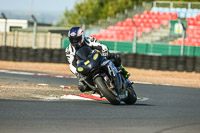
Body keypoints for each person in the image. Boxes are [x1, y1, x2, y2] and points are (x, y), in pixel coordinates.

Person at [65, 27, 130, 92]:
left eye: (76, 39)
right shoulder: (69, 50)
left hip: (97, 59)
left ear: (82, 37)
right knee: (81, 86)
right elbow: (72, 63)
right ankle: (99, 89)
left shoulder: (89, 40)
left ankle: (123, 71)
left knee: (114, 57)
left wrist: (104, 51)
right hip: (85, 66)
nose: (74, 41)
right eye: (72, 39)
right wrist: (77, 72)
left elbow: (99, 46)